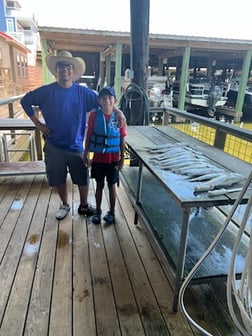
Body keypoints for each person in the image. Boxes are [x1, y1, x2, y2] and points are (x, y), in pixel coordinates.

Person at [21, 50, 126, 220]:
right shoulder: (46, 91)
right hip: (54, 145)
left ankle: (84, 206)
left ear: (73, 71)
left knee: (82, 179)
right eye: (61, 67)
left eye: (68, 67)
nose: (65, 70)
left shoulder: (83, 92)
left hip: (76, 145)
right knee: (58, 177)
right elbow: (25, 101)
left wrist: (118, 111)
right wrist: (38, 124)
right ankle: (64, 204)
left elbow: (104, 101)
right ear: (56, 71)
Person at [84, 87, 126, 225]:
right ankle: (98, 211)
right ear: (99, 101)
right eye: (103, 98)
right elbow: (89, 135)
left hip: (113, 159)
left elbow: (122, 138)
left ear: (114, 100)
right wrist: (86, 154)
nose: (107, 100)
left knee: (112, 185)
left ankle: (112, 212)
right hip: (98, 158)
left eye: (110, 98)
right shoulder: (94, 116)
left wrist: (122, 158)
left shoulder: (120, 117)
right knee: (99, 185)